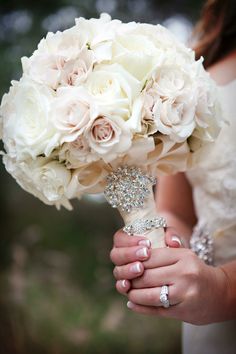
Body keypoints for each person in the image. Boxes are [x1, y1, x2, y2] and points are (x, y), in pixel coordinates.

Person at [109, 1, 236, 353]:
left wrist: (224, 289)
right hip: (212, 330)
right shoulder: (194, 75)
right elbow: (176, 210)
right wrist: (160, 250)